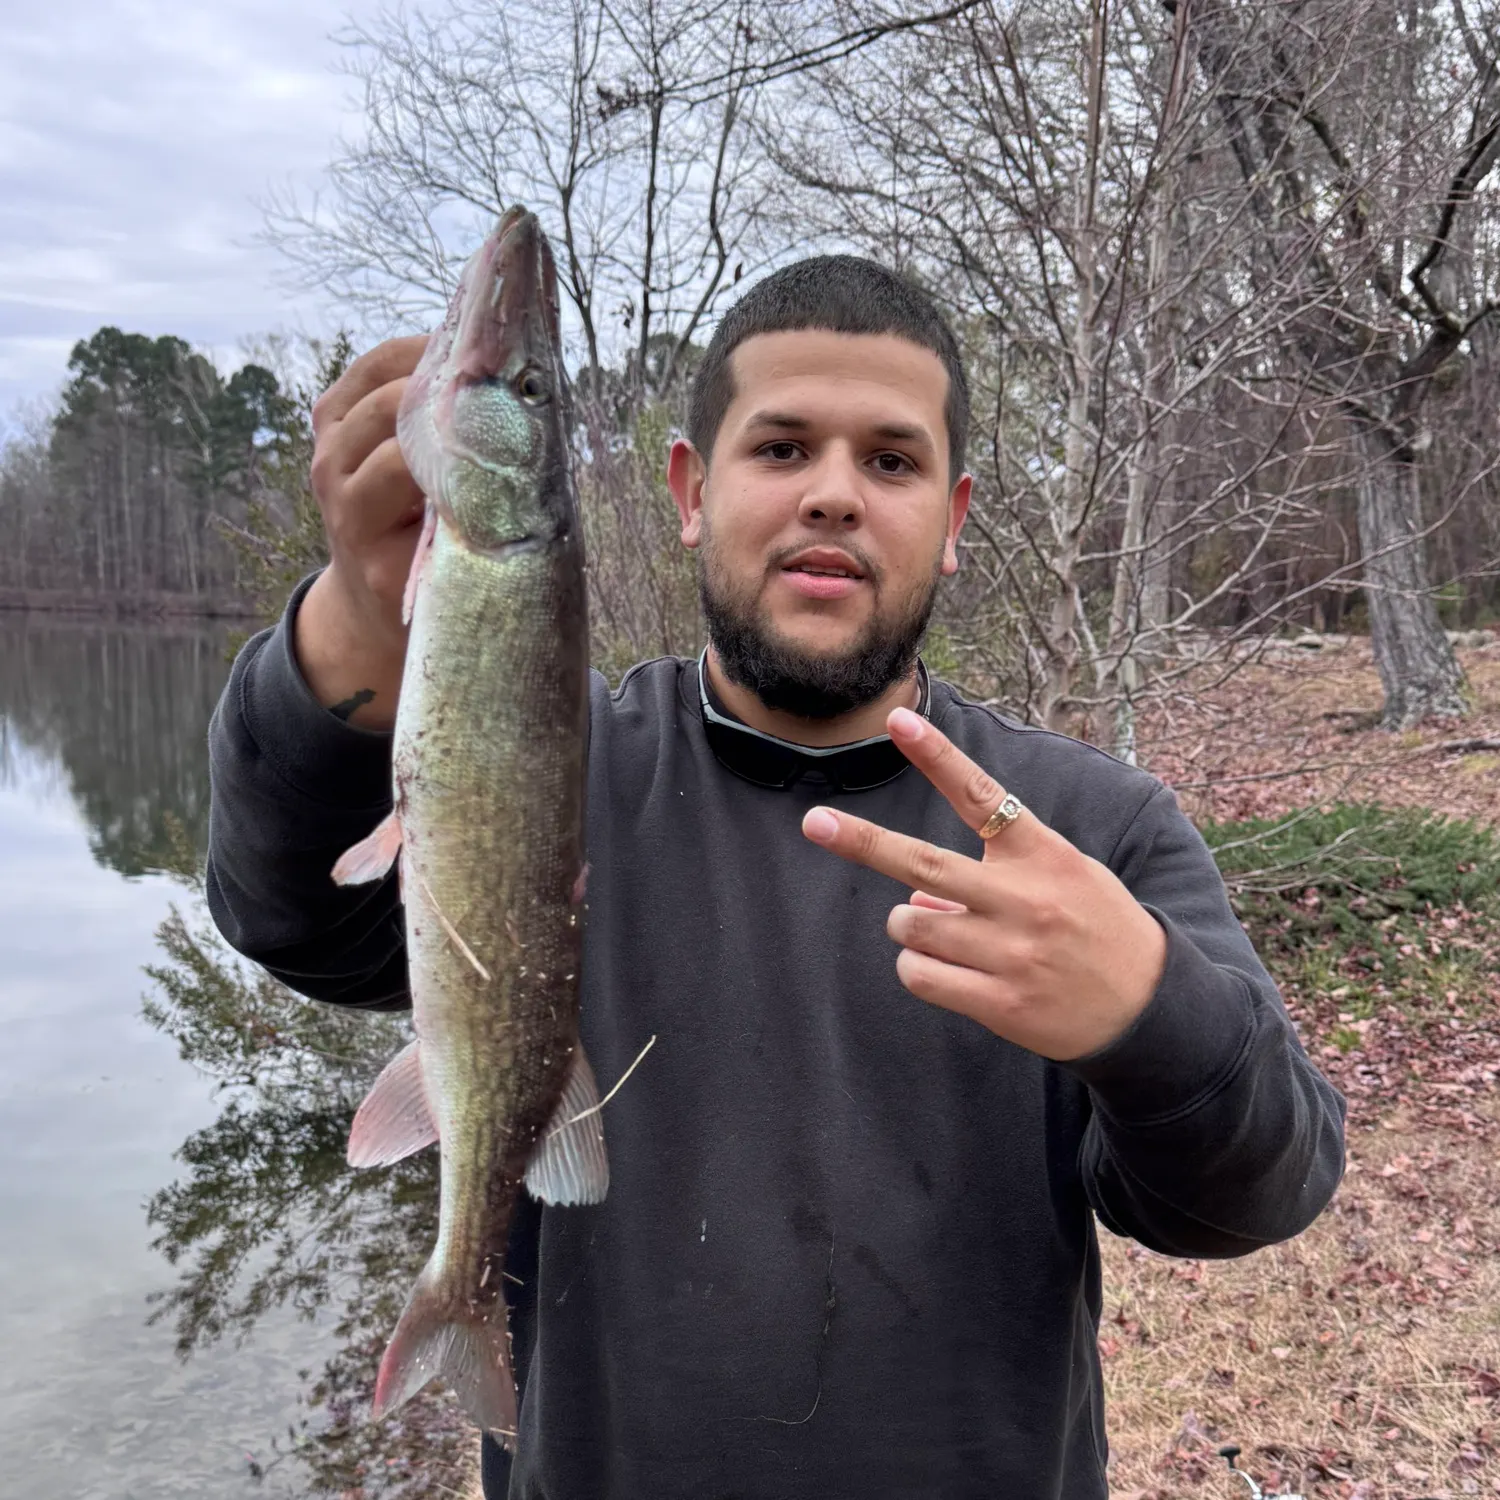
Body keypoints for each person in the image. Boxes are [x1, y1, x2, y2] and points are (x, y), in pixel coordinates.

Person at [206, 256, 1346, 1499]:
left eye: (893, 462)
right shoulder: (544, 767)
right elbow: (290, 916)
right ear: (692, 492)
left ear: (956, 523)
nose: (836, 497)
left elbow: (1254, 1195)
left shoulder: (1088, 832)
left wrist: (1148, 1010)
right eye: (783, 448)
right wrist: (356, 633)